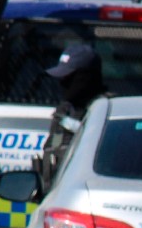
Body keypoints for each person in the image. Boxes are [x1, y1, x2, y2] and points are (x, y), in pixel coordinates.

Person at [36, 42, 107, 189]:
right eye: (61, 78)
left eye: (68, 78)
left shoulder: (107, 115)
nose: (62, 84)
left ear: (87, 77)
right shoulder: (63, 113)